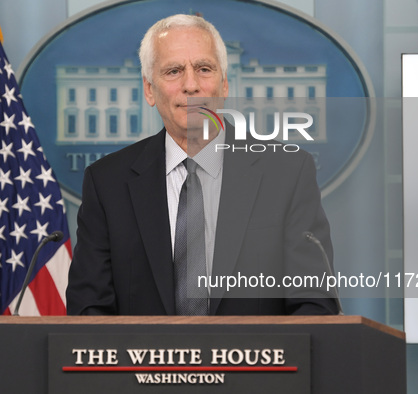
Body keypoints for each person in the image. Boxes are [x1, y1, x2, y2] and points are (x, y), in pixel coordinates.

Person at [66, 14, 339, 316]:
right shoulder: (107, 184)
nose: (191, 85)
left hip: (259, 363)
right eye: (173, 71)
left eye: (204, 69)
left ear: (224, 84)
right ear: (149, 89)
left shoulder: (287, 173)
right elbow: (88, 311)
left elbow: (315, 304)